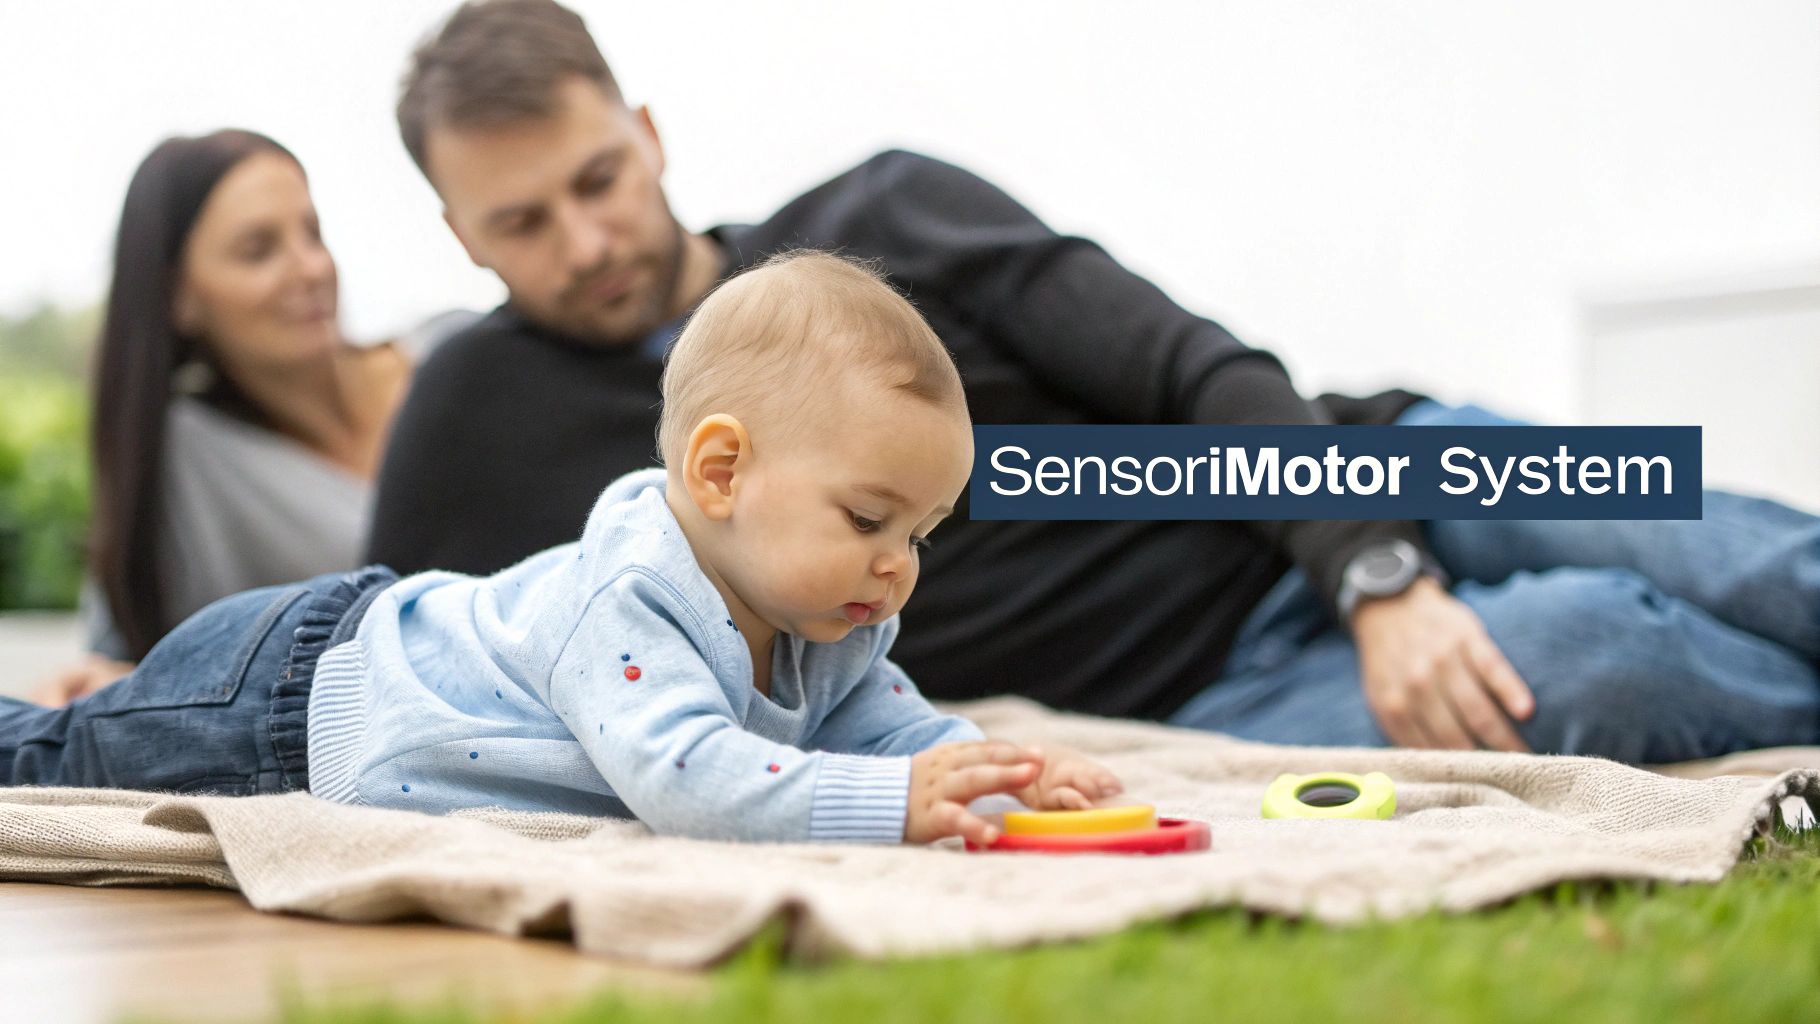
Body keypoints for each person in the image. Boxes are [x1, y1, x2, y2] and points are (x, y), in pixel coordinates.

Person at [368, 0, 1820, 764]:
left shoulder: (887, 208)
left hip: (1352, 469)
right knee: (1597, 658)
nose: (588, 240)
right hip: (1209, 686)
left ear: (649, 129)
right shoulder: (476, 421)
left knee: (1730, 542)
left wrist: (1377, 570)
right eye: (523, 224)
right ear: (456, 238)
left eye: (599, 180)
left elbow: (1190, 364)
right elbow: (385, 646)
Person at [0, 252, 1119, 845]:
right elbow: (688, 776)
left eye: (919, 534)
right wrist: (891, 805)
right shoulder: (633, 593)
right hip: (287, 702)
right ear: (720, 474)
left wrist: (1002, 775)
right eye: (868, 520)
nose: (897, 565)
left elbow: (891, 731)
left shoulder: (824, 614)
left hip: (338, 656)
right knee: (53, 761)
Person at [32, 130, 471, 707]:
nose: (311, 267)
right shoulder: (186, 457)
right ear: (179, 300)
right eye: (258, 250)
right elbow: (120, 633)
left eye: (312, 233)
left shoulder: (459, 355)